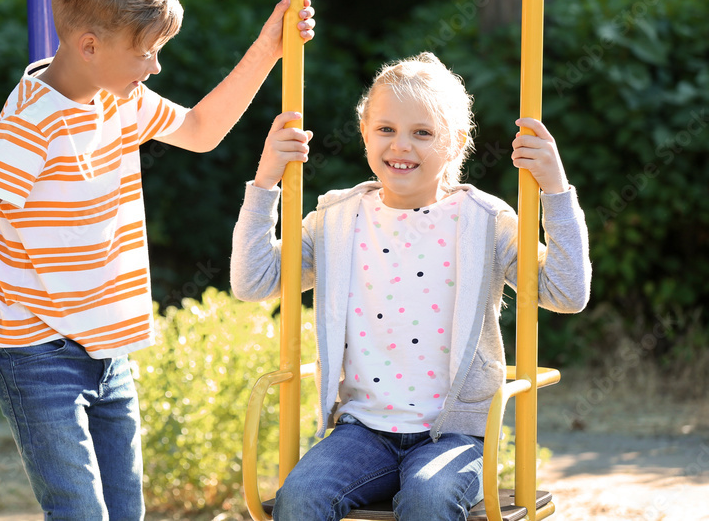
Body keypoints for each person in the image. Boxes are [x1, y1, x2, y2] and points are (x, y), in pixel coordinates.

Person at [0, 0, 316, 521]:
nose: (156, 66)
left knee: (124, 513)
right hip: (35, 354)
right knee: (81, 513)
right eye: (147, 53)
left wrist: (268, 49)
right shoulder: (33, 122)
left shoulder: (118, 99)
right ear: (89, 46)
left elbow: (202, 129)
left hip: (109, 352)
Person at [230, 52, 590, 521]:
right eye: (386, 130)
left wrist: (555, 190)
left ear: (456, 142)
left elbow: (566, 292)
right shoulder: (337, 221)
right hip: (362, 430)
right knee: (300, 497)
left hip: (455, 433)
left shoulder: (485, 222)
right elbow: (253, 281)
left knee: (428, 497)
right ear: (364, 133)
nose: (401, 146)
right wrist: (266, 180)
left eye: (422, 133)